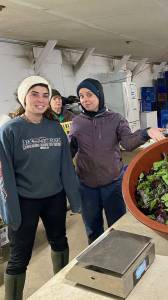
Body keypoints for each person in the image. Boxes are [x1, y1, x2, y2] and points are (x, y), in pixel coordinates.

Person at [0, 75, 81, 300]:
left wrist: (74, 199)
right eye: (34, 94)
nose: (41, 99)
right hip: (24, 201)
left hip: (54, 198)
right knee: (19, 256)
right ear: (23, 98)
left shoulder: (55, 129)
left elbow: (66, 166)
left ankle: (61, 288)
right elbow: (4, 175)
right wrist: (9, 209)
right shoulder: (10, 130)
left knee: (60, 241)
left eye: (45, 95)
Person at [69, 78, 165, 244]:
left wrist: (145, 133)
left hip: (112, 184)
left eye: (89, 94)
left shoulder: (116, 119)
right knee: (92, 228)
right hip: (86, 187)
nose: (85, 99)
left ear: (99, 95)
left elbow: (127, 143)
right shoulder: (77, 122)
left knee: (118, 226)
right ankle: (97, 258)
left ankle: (120, 255)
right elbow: (70, 150)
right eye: (81, 96)